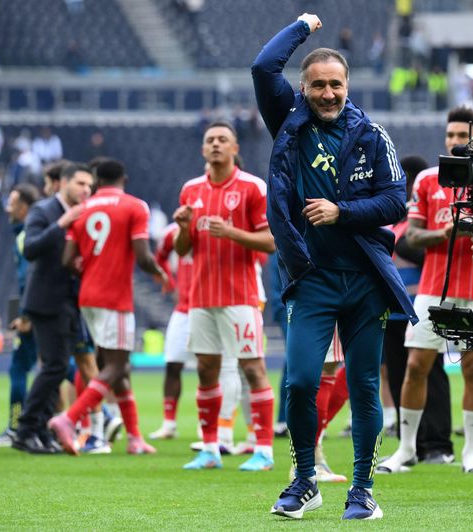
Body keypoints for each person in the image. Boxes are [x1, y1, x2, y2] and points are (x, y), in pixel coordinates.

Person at [253, 13, 415, 520]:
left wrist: (342, 213)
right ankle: (305, 480)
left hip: (366, 280)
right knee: (300, 381)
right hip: (312, 278)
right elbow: (262, 67)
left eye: (335, 84)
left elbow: (395, 203)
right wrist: (302, 25)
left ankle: (363, 490)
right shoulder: (289, 120)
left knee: (365, 385)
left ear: (348, 85)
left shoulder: (372, 135)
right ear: (303, 88)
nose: (328, 93)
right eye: (318, 85)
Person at [377, 106, 473, 476]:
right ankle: (406, 449)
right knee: (416, 365)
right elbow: (410, 234)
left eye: (463, 136)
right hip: (431, 289)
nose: (456, 142)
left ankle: (471, 452)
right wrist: (445, 234)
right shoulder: (427, 179)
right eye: (451, 135)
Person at [173, 121, 277, 472]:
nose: (215, 144)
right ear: (203, 150)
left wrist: (230, 231)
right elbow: (182, 249)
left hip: (241, 295)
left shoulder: (252, 187)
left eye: (223, 140)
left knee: (252, 368)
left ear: (235, 148)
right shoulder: (190, 190)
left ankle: (263, 450)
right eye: (210, 140)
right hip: (201, 295)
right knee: (205, 370)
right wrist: (185, 227)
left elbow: (270, 242)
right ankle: (211, 448)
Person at [48, 159, 166, 455]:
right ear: (124, 178)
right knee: (117, 365)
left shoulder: (83, 209)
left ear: (98, 180)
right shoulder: (135, 206)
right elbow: (142, 256)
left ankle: (135, 438)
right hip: (116, 298)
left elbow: (67, 261)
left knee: (110, 365)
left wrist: (90, 270)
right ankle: (69, 418)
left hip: (88, 296)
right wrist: (160, 272)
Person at [382, 155, 457, 464]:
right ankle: (410, 444)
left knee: (431, 372)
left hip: (421, 304)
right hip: (392, 308)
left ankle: (438, 443)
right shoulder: (390, 218)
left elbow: (417, 250)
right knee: (400, 373)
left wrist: (400, 240)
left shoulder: (416, 221)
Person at [13, 163, 92, 454]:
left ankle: (41, 430)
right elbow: (30, 248)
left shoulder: (84, 213)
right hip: (46, 301)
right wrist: (62, 223)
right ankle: (25, 430)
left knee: (55, 367)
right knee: (55, 366)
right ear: (64, 183)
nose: (85, 190)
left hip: (68, 302)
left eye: (89, 186)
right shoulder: (43, 211)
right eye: (80, 184)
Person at [0, 183, 41, 447]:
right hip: (40, 307)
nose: (8, 207)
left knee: (21, 367)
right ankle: (99, 414)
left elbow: (28, 277)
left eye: (13, 202)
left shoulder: (26, 234)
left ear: (25, 207)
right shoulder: (30, 231)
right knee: (60, 366)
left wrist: (26, 314)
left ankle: (16, 428)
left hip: (33, 309)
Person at [148, 221, 193, 441]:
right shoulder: (172, 231)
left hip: (214, 306)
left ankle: (213, 429)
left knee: (213, 368)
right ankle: (169, 423)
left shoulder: (218, 224)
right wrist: (167, 279)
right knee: (173, 363)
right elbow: (160, 255)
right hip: (184, 309)